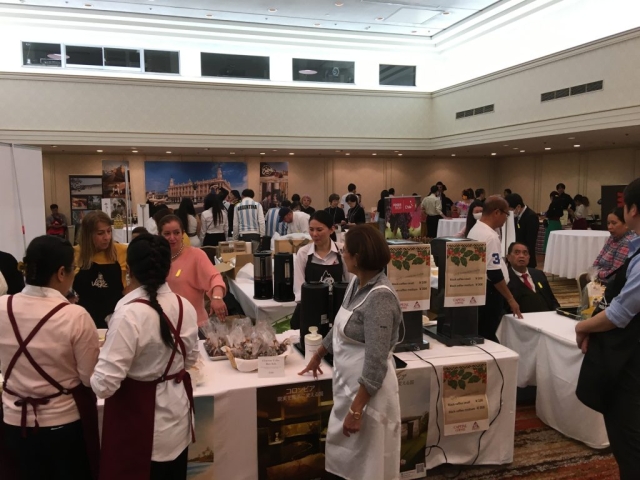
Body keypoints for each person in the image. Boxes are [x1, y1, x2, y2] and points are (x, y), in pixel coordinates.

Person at [91, 234, 198, 480]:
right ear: (168, 268)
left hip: (138, 427)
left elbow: (103, 386)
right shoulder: (185, 306)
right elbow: (190, 359)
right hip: (177, 420)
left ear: (128, 269)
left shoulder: (128, 314)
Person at [299, 225, 401, 480]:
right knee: (347, 458)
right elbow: (340, 326)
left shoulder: (380, 298)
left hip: (368, 396)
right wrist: (318, 353)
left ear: (358, 258)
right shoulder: (357, 282)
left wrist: (356, 411)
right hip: (349, 388)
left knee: (368, 463)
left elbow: (376, 361)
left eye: (345, 251)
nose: (342, 254)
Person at [0, 235, 99, 480]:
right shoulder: (75, 315)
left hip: (13, 421)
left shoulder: (2, 306)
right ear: (62, 273)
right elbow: (89, 378)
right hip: (62, 423)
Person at [575, 178, 640, 479]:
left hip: (631, 359)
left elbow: (620, 313)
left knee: (630, 443)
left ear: (632, 210)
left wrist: (583, 326)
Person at [467, 196, 523, 341]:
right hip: (491, 293)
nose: (506, 219)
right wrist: (510, 299)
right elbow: (494, 273)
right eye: (506, 214)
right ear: (497, 212)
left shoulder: (476, 229)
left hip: (480, 289)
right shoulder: (490, 237)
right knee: (490, 333)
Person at [159, 215, 227, 326]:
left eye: (176, 233)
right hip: (166, 326)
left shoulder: (196, 255)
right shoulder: (157, 258)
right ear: (159, 235)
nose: (172, 237)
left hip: (195, 325)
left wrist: (217, 297)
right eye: (167, 234)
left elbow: (214, 277)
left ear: (183, 234)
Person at [290, 211, 351, 328]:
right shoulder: (303, 253)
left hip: (337, 309)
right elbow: (299, 288)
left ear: (332, 229)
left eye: (319, 230)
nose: (314, 234)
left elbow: (350, 282)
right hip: (309, 308)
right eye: (311, 229)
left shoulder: (342, 251)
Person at [73, 211, 128, 328]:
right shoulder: (75, 254)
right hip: (84, 320)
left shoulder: (121, 251)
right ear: (88, 235)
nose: (107, 237)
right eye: (100, 233)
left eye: (109, 231)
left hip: (115, 318)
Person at [506, 242, 559, 313]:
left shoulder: (538, 274)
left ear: (529, 257)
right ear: (508, 257)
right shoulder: (505, 279)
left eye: (525, 253)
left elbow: (552, 300)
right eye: (517, 253)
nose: (522, 256)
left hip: (547, 316)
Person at [593, 207, 637, 283]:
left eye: (614, 223)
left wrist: (596, 274)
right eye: (608, 223)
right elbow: (599, 257)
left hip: (610, 284)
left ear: (626, 224)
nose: (609, 227)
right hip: (600, 277)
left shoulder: (627, 242)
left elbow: (614, 273)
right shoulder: (613, 237)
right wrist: (593, 270)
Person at [506, 193, 540, 268]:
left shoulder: (531, 216)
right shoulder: (516, 216)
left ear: (518, 207)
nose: (509, 212)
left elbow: (530, 241)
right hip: (515, 257)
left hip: (525, 259)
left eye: (510, 209)